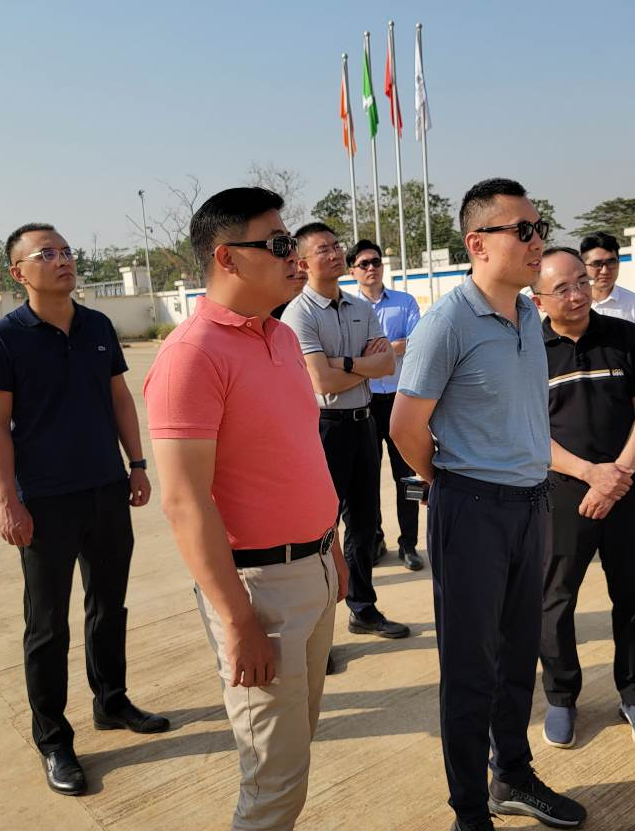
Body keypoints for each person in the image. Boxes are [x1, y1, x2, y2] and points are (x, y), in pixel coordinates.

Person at [145, 187, 347, 830]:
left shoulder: (281, 337)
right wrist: (237, 621)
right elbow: (184, 502)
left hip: (313, 568)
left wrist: (332, 547)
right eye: (280, 244)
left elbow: (301, 455)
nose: (296, 257)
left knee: (294, 751)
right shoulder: (190, 356)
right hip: (258, 589)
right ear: (227, 257)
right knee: (273, 781)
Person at [391, 178, 587, 831]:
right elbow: (405, 427)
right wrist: (448, 482)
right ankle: (470, 811)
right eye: (522, 231)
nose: (537, 242)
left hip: (531, 506)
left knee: (517, 655)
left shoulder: (529, 314)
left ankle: (513, 777)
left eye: (540, 228)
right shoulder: (447, 323)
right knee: (470, 670)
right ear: (477, 244)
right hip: (471, 509)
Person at [0, 222, 168, 797]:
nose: (62, 260)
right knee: (47, 624)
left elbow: (119, 398)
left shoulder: (98, 326)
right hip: (44, 502)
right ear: (19, 272)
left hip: (106, 489)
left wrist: (136, 464)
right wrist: (8, 501)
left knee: (109, 606)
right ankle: (54, 738)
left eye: (66, 251)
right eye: (46, 254)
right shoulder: (3, 338)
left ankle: (112, 701)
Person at [531, 247, 635, 753]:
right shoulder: (527, 351)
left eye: (582, 282)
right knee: (555, 599)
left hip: (627, 488)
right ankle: (562, 696)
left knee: (632, 597)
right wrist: (590, 475)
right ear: (538, 298)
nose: (577, 295)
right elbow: (530, 433)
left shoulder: (624, 336)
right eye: (563, 288)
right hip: (563, 492)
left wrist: (617, 476)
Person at [281, 225, 410, 642]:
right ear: (303, 262)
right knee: (321, 527)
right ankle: (317, 630)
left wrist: (342, 363)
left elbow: (387, 363)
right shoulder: (299, 313)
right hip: (325, 428)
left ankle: (363, 609)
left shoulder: (359, 306)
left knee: (364, 522)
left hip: (364, 423)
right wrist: (357, 365)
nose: (336, 253)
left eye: (337, 246)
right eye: (324, 249)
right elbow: (319, 381)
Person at [349, 239, 425, 571]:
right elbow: (348, 352)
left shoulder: (404, 302)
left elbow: (417, 341)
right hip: (364, 401)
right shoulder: (348, 309)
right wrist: (392, 349)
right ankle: (376, 540)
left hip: (399, 400)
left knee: (407, 476)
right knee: (366, 479)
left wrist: (378, 354)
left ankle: (409, 544)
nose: (371, 268)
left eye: (376, 262)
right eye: (364, 263)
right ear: (352, 270)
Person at [580, 232, 635, 351]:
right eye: (597, 264)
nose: (604, 271)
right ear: (582, 266)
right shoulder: (573, 303)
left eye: (611, 262)